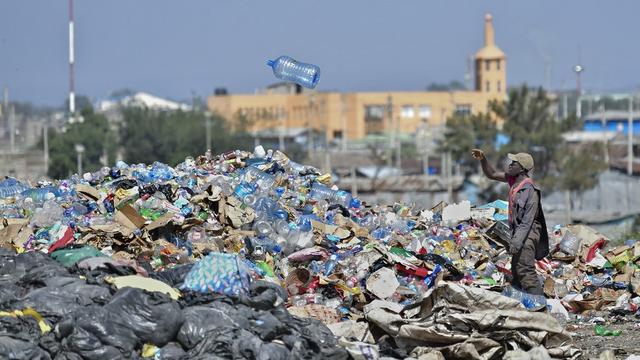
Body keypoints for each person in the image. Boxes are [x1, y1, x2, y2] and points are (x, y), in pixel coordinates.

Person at [471, 149, 548, 296]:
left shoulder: (530, 190)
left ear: (522, 169)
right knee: (516, 272)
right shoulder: (513, 180)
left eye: (514, 163)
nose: (510, 165)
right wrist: (483, 159)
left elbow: (527, 221)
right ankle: (522, 304)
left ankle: (541, 306)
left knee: (525, 271)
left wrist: (516, 242)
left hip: (528, 234)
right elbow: (492, 174)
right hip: (519, 233)